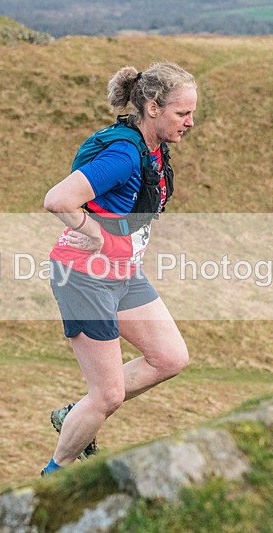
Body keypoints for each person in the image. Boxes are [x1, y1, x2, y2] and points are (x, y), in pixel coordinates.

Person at [41, 62, 197, 475]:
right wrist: (94, 234)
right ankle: (54, 478)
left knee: (169, 357)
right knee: (107, 396)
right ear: (151, 108)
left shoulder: (153, 150)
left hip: (123, 274)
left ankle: (74, 413)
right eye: (182, 113)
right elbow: (58, 199)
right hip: (83, 277)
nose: (191, 122)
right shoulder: (125, 154)